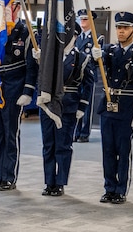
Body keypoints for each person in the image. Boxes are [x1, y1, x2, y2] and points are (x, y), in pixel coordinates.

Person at [90, 12, 133, 204]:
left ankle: (121, 189)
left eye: (125, 28)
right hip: (108, 107)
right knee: (108, 150)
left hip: (127, 108)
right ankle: (109, 187)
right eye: (118, 27)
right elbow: (98, 71)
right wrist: (95, 59)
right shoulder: (109, 51)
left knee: (123, 150)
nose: (120, 31)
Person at [0, 3, 37, 191]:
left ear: (17, 9)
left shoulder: (26, 33)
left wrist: (28, 91)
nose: (6, 10)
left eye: (10, 6)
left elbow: (32, 66)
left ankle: (9, 176)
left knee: (10, 133)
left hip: (14, 89)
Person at [40, 24, 93, 197]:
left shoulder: (81, 58)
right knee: (48, 145)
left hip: (68, 106)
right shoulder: (48, 57)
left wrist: (82, 106)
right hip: (48, 105)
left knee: (63, 146)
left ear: (74, 36)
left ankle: (60, 182)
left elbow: (88, 84)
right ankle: (49, 182)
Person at [72, 9, 99, 143]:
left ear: (91, 20)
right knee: (76, 104)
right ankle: (76, 131)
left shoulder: (97, 38)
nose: (83, 21)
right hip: (76, 76)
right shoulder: (77, 37)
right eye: (81, 19)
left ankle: (84, 132)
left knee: (87, 105)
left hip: (89, 75)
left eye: (85, 19)